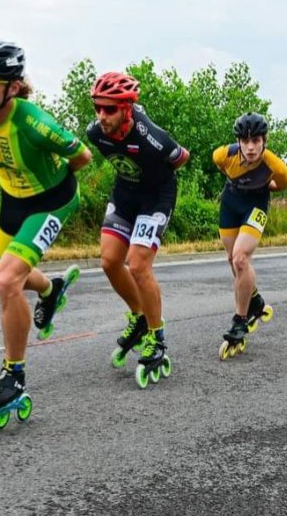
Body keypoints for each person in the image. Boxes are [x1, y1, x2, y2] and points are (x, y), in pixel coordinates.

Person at [0, 40, 92, 425]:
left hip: (51, 200)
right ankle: (51, 289)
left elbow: (82, 156)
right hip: (11, 201)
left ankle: (13, 375)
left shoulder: (35, 124)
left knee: (5, 280)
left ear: (12, 88)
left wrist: (51, 183)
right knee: (11, 273)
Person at [86, 71, 190, 388]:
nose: (102, 116)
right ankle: (139, 318)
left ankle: (157, 337)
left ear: (127, 108)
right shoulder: (95, 133)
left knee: (139, 264)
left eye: (110, 109)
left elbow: (181, 157)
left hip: (157, 197)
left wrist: (154, 175)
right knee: (109, 260)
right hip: (125, 194)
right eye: (98, 108)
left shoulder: (151, 136)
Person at [212, 113, 287, 359]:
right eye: (245, 141)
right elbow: (221, 168)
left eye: (256, 140)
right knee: (230, 260)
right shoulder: (222, 155)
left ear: (264, 140)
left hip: (256, 204)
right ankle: (255, 301)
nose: (251, 147)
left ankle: (239, 320)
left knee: (240, 259)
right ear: (238, 141)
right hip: (231, 201)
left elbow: (281, 184)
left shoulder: (275, 166)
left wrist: (260, 187)